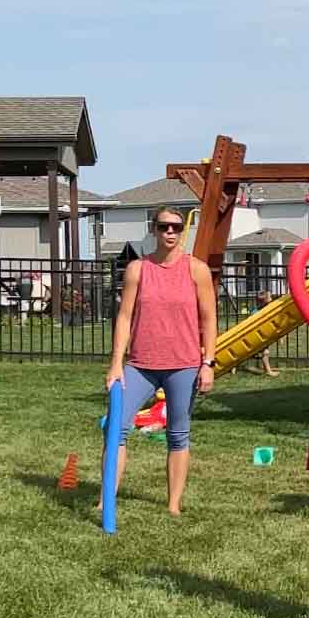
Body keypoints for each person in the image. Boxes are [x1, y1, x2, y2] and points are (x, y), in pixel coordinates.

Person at [104, 206, 218, 515]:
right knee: (115, 426)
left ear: (183, 231)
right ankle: (107, 499)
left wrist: (208, 363)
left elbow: (209, 320)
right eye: (164, 226)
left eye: (176, 227)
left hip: (184, 365)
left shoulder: (197, 270)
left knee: (178, 433)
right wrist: (116, 363)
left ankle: (173, 505)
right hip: (140, 364)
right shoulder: (138, 269)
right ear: (153, 229)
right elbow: (125, 317)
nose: (170, 232)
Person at [253, 288, 279, 376]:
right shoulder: (257, 312)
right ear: (263, 302)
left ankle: (266, 368)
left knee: (265, 351)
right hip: (258, 335)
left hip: (263, 334)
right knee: (265, 352)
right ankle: (268, 371)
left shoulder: (264, 309)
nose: (270, 302)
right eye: (269, 299)